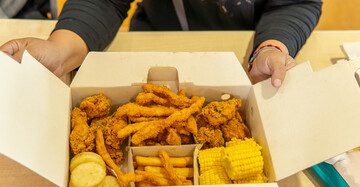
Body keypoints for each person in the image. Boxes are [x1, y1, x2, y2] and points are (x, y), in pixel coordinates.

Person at [0, 0, 322, 88]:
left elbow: (294, 3)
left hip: (246, 48)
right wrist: (60, 51)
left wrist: (272, 47)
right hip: (154, 38)